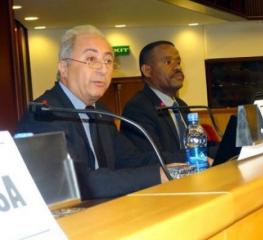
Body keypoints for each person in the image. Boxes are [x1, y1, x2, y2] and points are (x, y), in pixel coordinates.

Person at [16, 25, 173, 200]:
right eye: (91, 59)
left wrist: (188, 161)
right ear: (64, 67)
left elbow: (132, 159)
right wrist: (158, 175)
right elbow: (77, 183)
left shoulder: (100, 110)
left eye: (108, 61)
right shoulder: (44, 114)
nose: (103, 69)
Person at [121, 41, 189, 162]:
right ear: (147, 70)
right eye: (168, 62)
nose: (178, 67)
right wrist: (197, 156)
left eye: (178, 62)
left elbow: (198, 144)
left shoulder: (181, 105)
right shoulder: (137, 109)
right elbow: (153, 158)